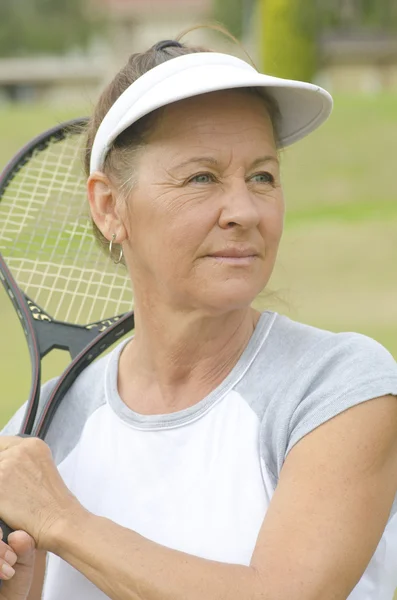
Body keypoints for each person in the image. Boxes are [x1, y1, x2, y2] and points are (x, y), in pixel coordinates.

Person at [0, 35, 397, 600]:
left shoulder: (340, 388)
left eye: (262, 176)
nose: (243, 211)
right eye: (201, 178)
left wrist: (63, 521)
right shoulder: (39, 433)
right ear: (110, 206)